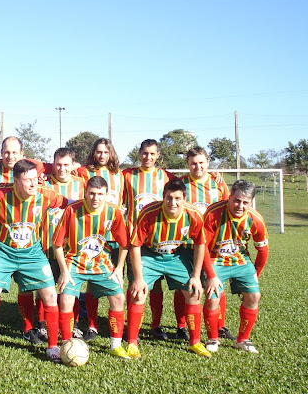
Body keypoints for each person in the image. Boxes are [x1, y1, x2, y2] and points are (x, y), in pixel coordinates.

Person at [0, 160, 69, 364]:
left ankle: (52, 347)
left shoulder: (45, 195)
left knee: (51, 296)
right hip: (3, 252)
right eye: (28, 180)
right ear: (15, 180)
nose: (34, 184)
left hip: (32, 253)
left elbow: (68, 203)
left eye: (35, 179)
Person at [125, 179, 220, 359]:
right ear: (163, 197)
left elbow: (201, 245)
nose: (173, 203)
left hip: (176, 256)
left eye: (177, 198)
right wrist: (138, 278)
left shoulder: (193, 215)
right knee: (138, 293)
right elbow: (135, 246)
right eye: (169, 198)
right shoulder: (148, 213)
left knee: (193, 292)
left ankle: (195, 342)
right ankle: (132, 343)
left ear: (184, 198)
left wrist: (196, 276)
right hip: (149, 254)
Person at [53, 176, 130, 359]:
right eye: (92, 193)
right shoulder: (72, 210)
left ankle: (115, 345)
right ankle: (66, 344)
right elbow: (56, 244)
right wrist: (64, 271)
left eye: (100, 194)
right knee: (65, 299)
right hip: (74, 262)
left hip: (101, 264)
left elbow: (125, 244)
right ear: (85, 193)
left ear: (106, 195)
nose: (95, 198)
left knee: (119, 297)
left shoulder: (114, 212)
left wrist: (118, 269)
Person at [203, 180, 269, 354]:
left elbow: (262, 251)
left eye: (245, 202)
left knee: (254, 296)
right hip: (214, 259)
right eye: (237, 200)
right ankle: (213, 338)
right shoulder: (213, 213)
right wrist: (210, 275)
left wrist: (256, 273)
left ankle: (242, 340)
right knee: (213, 296)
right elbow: (202, 247)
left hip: (241, 261)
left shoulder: (256, 219)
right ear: (230, 197)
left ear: (251, 202)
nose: (240, 205)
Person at [122, 139, 176, 341]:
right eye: (145, 153)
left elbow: (183, 187)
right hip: (134, 239)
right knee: (135, 283)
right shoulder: (127, 175)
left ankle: (155, 325)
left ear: (158, 155)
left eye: (152, 154)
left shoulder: (166, 176)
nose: (148, 157)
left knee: (158, 286)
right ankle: (132, 325)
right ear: (139, 153)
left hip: (161, 238)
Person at [179, 146, 234, 341]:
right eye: (193, 163)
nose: (197, 167)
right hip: (186, 244)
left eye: (201, 163)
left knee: (215, 284)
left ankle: (220, 326)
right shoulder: (180, 184)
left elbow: (228, 210)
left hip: (212, 245)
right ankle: (181, 326)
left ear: (208, 163)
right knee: (184, 285)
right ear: (188, 165)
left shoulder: (218, 184)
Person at [75, 138, 125, 341]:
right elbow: (63, 171)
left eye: (106, 152)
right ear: (93, 153)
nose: (102, 155)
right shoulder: (83, 173)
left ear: (111, 153)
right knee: (90, 280)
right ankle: (92, 325)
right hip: (91, 235)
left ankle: (114, 323)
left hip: (115, 234)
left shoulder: (121, 174)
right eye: (98, 152)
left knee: (114, 278)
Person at [38, 147, 86, 340]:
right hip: (46, 245)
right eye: (58, 164)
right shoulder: (44, 184)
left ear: (73, 165)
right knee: (45, 286)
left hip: (71, 247)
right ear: (53, 163)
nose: (62, 168)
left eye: (66, 165)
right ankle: (42, 324)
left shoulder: (82, 184)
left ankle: (72, 325)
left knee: (71, 288)